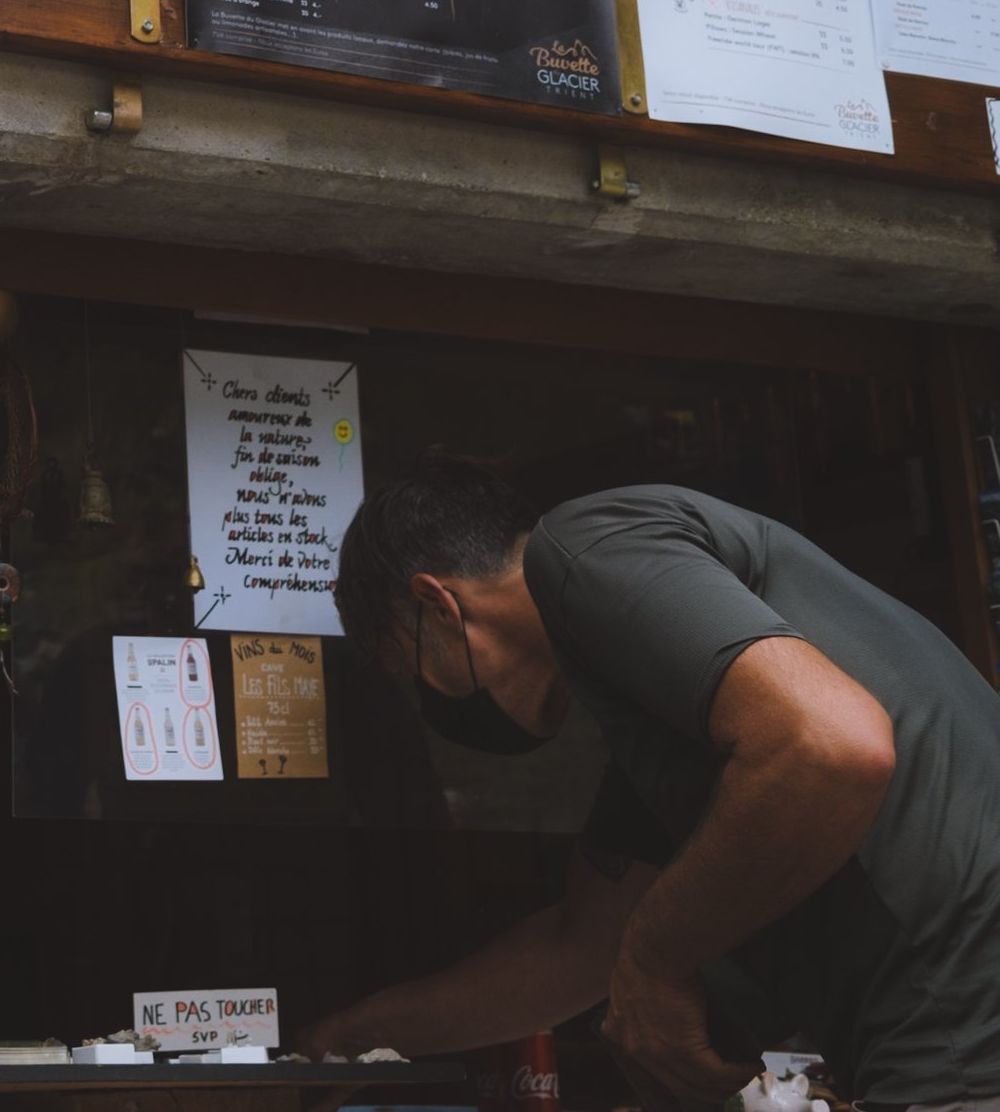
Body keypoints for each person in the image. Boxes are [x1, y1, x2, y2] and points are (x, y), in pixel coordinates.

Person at [298, 457, 1000, 1109]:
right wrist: (347, 1037)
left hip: (963, 1038)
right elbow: (579, 949)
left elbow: (829, 745)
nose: (431, 703)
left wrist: (656, 961)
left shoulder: (580, 548)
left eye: (413, 667)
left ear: (440, 606)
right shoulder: (663, 721)